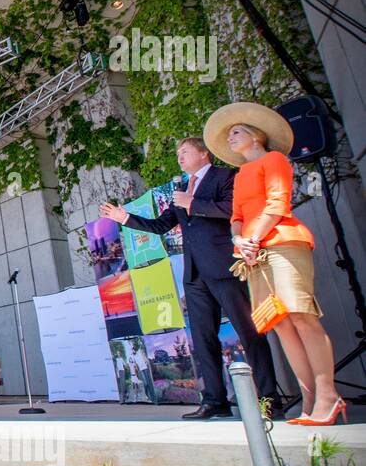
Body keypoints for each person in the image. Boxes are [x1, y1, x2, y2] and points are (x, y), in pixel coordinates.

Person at [101, 135, 282, 419]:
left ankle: (270, 401)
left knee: (249, 333)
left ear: (203, 154)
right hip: (195, 274)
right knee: (202, 338)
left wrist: (193, 202)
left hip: (225, 266)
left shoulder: (225, 177)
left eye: (185, 151)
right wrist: (125, 219)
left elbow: (232, 211)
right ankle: (215, 401)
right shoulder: (182, 189)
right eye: (178, 154)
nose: (180, 157)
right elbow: (162, 225)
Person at [206, 103, 344, 425]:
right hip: (252, 252)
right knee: (280, 324)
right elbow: (236, 217)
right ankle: (308, 398)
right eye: (228, 135)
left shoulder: (274, 159)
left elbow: (277, 203)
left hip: (282, 241)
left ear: (256, 136)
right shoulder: (240, 176)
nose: (230, 138)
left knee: (301, 315)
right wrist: (240, 240)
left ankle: (328, 395)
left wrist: (250, 239)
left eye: (236, 131)